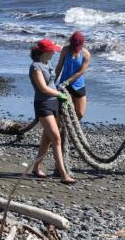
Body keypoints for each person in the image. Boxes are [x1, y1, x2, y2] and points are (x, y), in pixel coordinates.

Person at [29, 38, 76, 185]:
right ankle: (63, 174)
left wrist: (60, 92)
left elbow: (52, 83)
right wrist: (59, 94)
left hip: (54, 103)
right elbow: (43, 88)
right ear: (45, 51)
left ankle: (36, 167)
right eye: (52, 51)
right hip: (43, 104)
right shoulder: (36, 67)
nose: (54, 53)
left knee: (47, 139)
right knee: (56, 138)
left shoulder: (47, 64)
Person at [55, 31, 91, 120]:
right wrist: (54, 81)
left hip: (78, 85)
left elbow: (80, 72)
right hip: (63, 85)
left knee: (80, 113)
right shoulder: (65, 50)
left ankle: (73, 126)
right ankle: (62, 129)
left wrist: (66, 82)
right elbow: (59, 66)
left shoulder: (86, 54)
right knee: (62, 112)